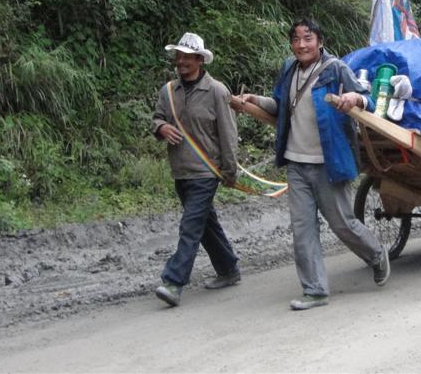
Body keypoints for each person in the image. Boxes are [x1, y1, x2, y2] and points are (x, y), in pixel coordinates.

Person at [232, 18, 389, 311]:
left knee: (342, 224)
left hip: (328, 163)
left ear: (320, 42)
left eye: (308, 38)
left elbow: (366, 98)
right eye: (296, 39)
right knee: (302, 228)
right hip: (296, 163)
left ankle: (377, 254)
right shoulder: (289, 69)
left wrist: (354, 97)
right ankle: (315, 290)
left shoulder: (336, 69)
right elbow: (280, 106)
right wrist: (255, 100)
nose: (301, 45)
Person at [151, 32, 242, 307]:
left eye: (187, 58)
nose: (181, 62)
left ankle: (173, 282)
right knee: (204, 226)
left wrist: (230, 169)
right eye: (178, 57)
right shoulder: (168, 91)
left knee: (190, 227)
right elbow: (156, 119)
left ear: (200, 61)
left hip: (206, 172)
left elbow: (228, 133)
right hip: (181, 171)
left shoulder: (216, 91)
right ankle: (228, 269)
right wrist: (160, 127)